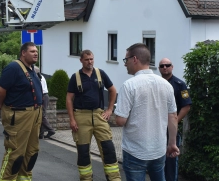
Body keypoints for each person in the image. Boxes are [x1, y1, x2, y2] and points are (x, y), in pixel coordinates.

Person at [114, 43, 179, 181]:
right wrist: (172, 144)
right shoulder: (166, 85)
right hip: (159, 149)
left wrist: (118, 110)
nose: (125, 64)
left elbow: (120, 121)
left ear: (135, 59)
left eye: (126, 60)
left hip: (135, 151)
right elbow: (173, 116)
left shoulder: (129, 85)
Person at [66, 49, 121, 181]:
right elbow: (69, 99)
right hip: (81, 116)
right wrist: (72, 119)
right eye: (86, 59)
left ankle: (114, 178)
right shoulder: (75, 77)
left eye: (91, 59)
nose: (90, 62)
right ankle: (86, 179)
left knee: (108, 148)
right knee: (84, 152)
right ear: (81, 60)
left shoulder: (100, 73)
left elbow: (113, 90)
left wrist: (109, 110)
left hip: (99, 115)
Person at [0, 42, 43, 181]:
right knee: (15, 154)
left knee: (31, 153)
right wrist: (3, 104)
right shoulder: (13, 68)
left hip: (35, 114)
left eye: (36, 51)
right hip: (19, 115)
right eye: (32, 51)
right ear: (23, 53)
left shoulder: (32, 69)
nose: (36, 53)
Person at [159, 58, 192, 181]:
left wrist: (174, 122)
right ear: (159, 69)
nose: (165, 68)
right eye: (162, 66)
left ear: (172, 67)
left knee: (171, 160)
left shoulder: (180, 84)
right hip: (157, 128)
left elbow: (186, 106)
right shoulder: (156, 83)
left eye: (167, 65)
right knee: (158, 160)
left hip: (171, 130)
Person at [34, 66, 55, 139]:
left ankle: (51, 130)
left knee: (42, 115)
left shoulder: (38, 77)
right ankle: (41, 134)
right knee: (41, 115)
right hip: (44, 95)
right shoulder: (41, 76)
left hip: (43, 96)